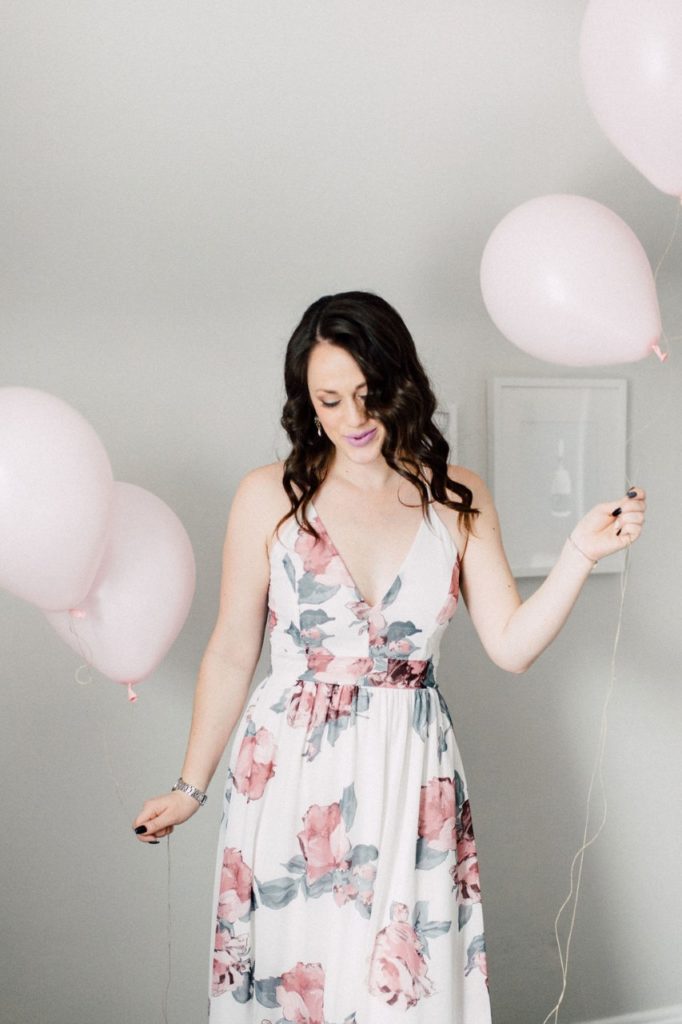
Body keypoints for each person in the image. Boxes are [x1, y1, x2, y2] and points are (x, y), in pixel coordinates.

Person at [132, 291, 646, 1023]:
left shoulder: (457, 496)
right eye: (330, 400)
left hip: (412, 769)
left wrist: (579, 554)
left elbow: (512, 647)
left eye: (368, 396)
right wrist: (190, 786)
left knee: (405, 990)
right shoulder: (269, 497)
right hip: (289, 774)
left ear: (401, 384)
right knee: (297, 978)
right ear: (306, 402)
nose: (352, 419)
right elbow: (230, 649)